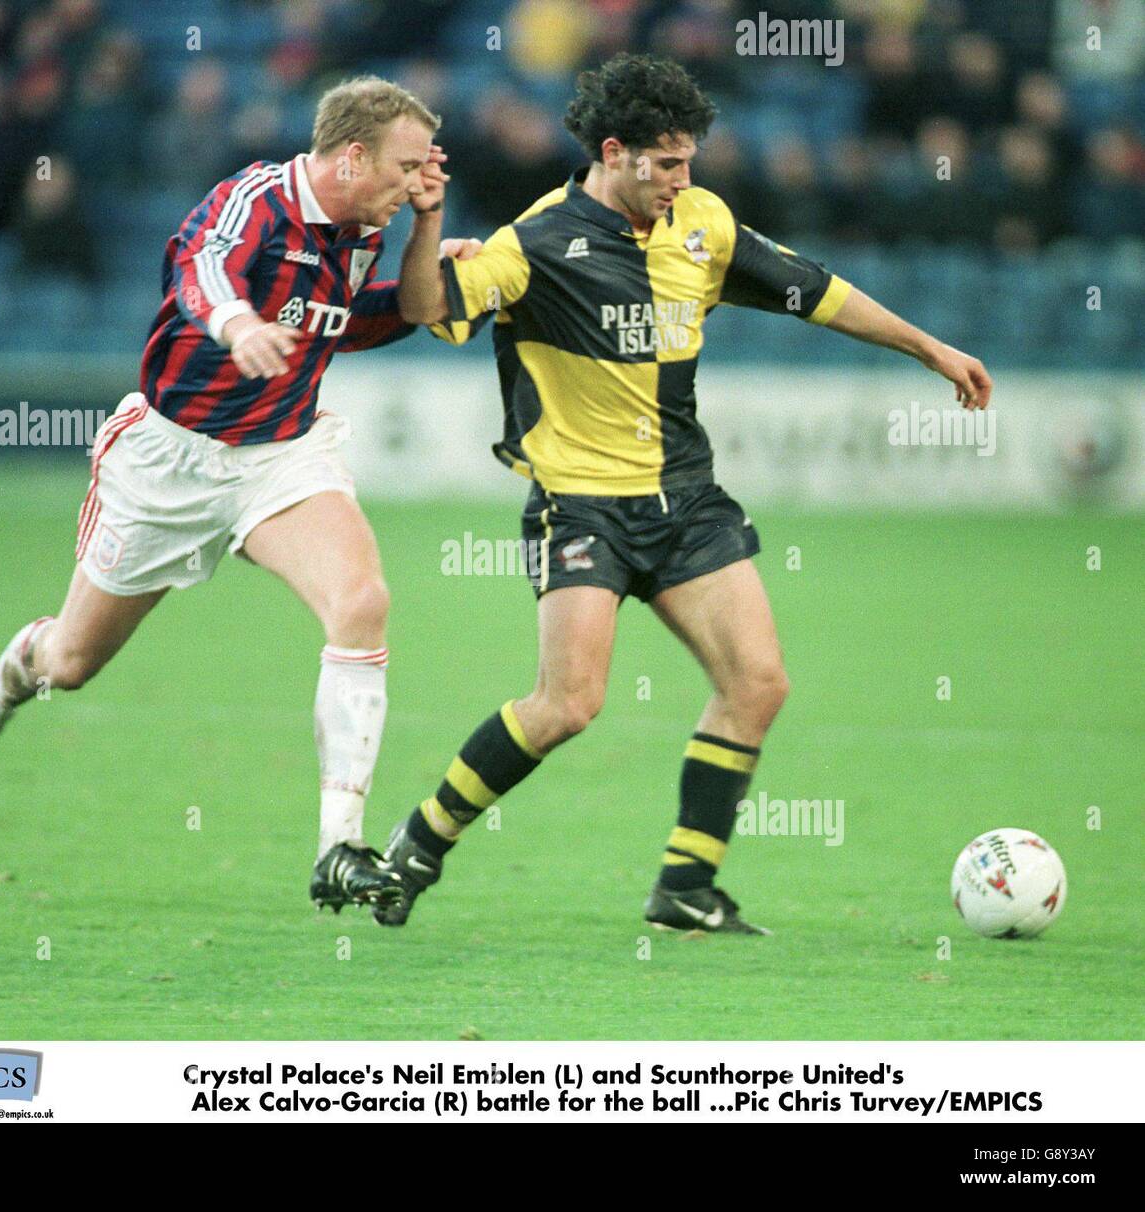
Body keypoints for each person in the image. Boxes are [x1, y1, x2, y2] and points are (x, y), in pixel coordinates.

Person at [382, 53, 992, 934]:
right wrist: (428, 228)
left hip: (686, 501)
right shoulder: (534, 243)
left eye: (689, 161)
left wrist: (930, 348)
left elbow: (813, 290)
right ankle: (419, 844)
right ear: (616, 151)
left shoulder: (701, 222)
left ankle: (684, 889)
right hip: (582, 505)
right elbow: (424, 306)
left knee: (758, 683)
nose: (684, 178)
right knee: (568, 706)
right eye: (666, 163)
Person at [0, 76, 466, 913]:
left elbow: (390, 316)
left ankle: (339, 847)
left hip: (280, 456)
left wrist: (430, 225)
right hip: (166, 464)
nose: (413, 181)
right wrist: (237, 325)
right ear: (352, 156)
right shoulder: (256, 200)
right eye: (405, 168)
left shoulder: (370, 226)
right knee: (70, 664)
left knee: (361, 601)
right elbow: (200, 268)